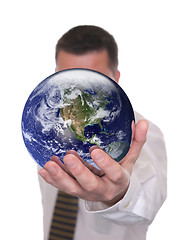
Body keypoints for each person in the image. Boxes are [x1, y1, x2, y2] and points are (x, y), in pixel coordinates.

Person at [38, 25, 167, 240]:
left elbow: (147, 204)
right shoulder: (47, 126)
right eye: (68, 78)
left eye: (92, 80)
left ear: (115, 78)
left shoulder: (139, 133)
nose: (78, 91)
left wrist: (117, 195)